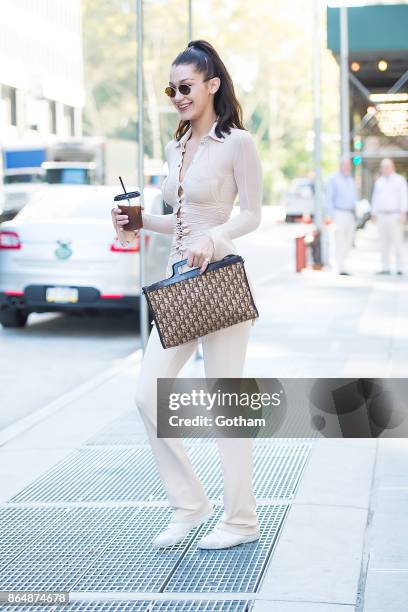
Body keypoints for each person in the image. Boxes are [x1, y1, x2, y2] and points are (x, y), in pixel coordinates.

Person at [111, 40, 263, 550]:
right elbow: (178, 221)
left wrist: (214, 238)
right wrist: (138, 221)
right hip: (180, 286)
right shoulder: (176, 149)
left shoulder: (238, 142)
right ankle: (190, 505)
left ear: (212, 84)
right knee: (146, 394)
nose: (177, 95)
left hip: (218, 281)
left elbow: (252, 214)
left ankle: (241, 520)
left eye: (186, 86)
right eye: (171, 88)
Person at [371, 158, 408, 275]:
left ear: (393, 167)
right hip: (382, 215)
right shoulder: (379, 182)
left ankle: (400, 267)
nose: (385, 169)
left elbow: (404, 197)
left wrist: (403, 212)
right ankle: (385, 266)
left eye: (388, 167)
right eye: (384, 167)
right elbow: (375, 198)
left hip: (395, 215)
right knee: (383, 243)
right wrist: (373, 213)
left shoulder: (399, 180)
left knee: (397, 242)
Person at [325, 156, 358, 275]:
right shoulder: (333, 179)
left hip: (350, 213)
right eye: (345, 165)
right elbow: (329, 198)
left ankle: (342, 262)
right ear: (341, 166)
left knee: (348, 241)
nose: (347, 167)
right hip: (338, 213)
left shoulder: (351, 179)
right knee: (338, 240)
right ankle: (339, 266)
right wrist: (330, 215)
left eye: (348, 165)